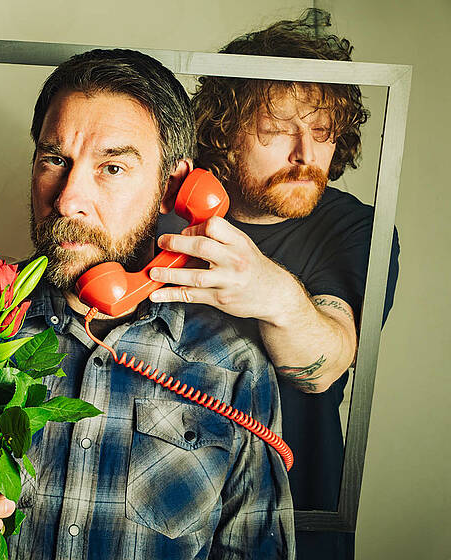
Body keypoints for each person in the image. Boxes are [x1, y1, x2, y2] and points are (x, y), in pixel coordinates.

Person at [0, 49, 295, 559]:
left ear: (173, 187)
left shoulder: (232, 365)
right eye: (55, 160)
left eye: (112, 167)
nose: (66, 199)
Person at [150, 10, 400, 560]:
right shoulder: (158, 217)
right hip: (163, 513)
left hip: (299, 515)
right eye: (277, 130)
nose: (305, 155)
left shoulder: (357, 229)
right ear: (224, 133)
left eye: (322, 132)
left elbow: (327, 362)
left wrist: (273, 294)